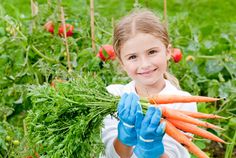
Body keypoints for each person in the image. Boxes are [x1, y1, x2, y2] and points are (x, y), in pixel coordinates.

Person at [101, 9, 197, 158]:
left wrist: (151, 150)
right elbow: (109, 154)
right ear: (121, 62)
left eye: (152, 52)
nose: (145, 64)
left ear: (167, 52)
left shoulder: (184, 103)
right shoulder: (113, 96)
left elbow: (176, 154)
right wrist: (124, 137)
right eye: (133, 57)